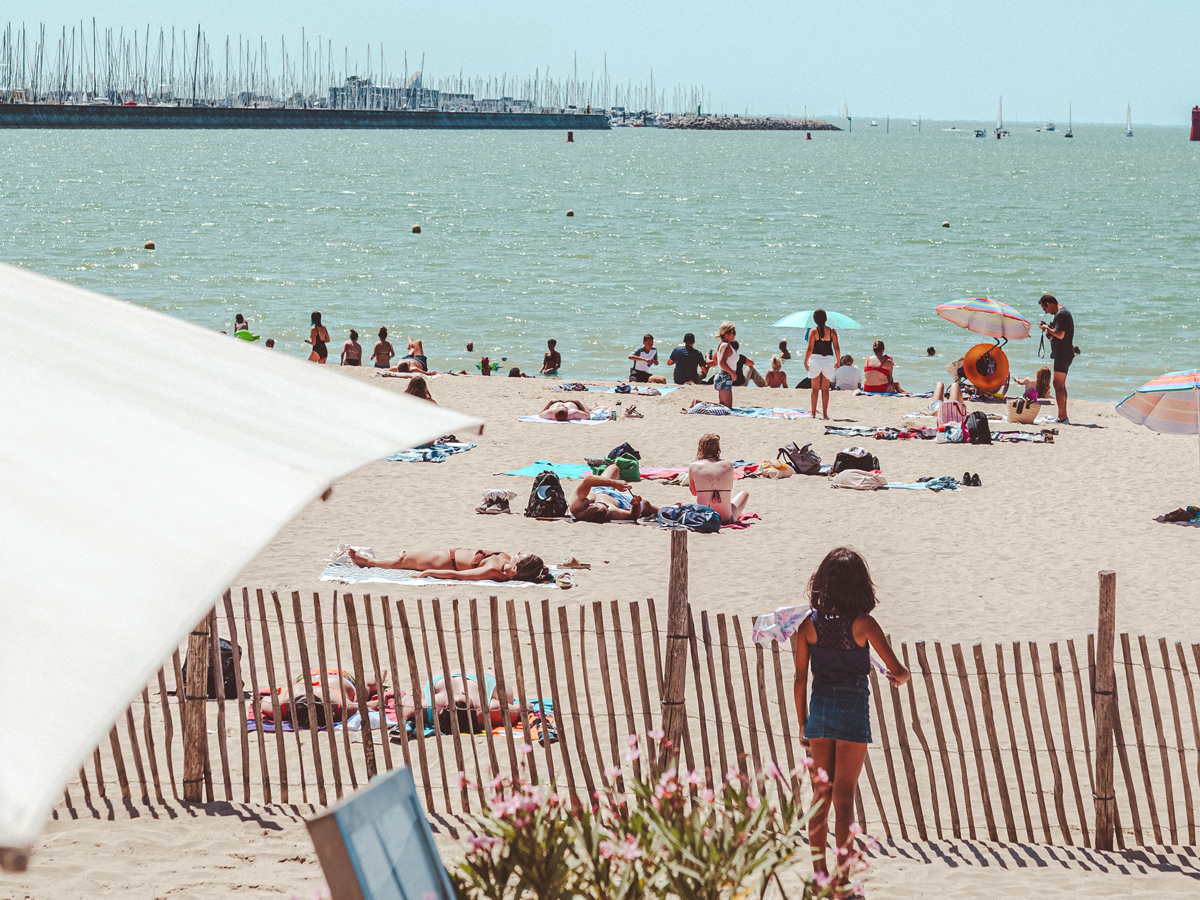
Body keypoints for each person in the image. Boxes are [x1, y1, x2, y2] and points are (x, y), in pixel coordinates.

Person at [793, 548, 908, 886]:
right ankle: (843, 881)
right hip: (853, 713)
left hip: (820, 714)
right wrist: (897, 678)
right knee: (844, 797)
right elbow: (899, 671)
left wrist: (803, 722)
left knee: (820, 796)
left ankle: (818, 876)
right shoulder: (864, 625)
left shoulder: (807, 626)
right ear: (860, 586)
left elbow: (800, 678)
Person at [347, 548, 548, 582]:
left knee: (401, 562)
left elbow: (458, 576)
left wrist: (427, 572)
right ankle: (408, 558)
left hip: (444, 561)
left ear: (515, 569)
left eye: (521, 556)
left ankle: (366, 562)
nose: (519, 552)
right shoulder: (505, 563)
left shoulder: (493, 571)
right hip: (449, 554)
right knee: (407, 558)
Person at [688, 433, 749, 524]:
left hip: (703, 516)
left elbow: (694, 492)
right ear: (718, 448)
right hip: (724, 518)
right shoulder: (728, 465)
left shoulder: (694, 466)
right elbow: (729, 487)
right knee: (744, 494)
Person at [569, 465, 657, 523]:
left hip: (598, 489)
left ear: (590, 504)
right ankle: (663, 510)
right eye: (607, 507)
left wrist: (614, 483)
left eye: (604, 505)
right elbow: (632, 515)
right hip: (618, 500)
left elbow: (588, 480)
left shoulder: (577, 507)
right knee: (645, 504)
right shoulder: (612, 511)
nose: (607, 506)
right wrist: (636, 504)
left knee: (614, 468)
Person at [1038, 294, 1076, 424]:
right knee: (1060, 385)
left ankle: (1062, 417)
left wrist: (1047, 328)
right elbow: (1058, 334)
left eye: (1045, 308)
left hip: (1063, 353)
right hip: (1065, 352)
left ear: (1049, 303)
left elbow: (1060, 335)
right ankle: (1063, 416)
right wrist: (1049, 330)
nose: (1046, 311)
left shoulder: (1061, 314)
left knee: (1058, 384)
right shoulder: (1062, 314)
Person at [805, 309, 841, 420]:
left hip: (815, 360)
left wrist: (805, 361)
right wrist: (839, 361)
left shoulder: (813, 331)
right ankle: (825, 414)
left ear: (815, 319)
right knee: (825, 389)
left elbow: (810, 348)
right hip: (828, 360)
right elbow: (836, 347)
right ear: (825, 318)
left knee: (814, 389)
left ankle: (813, 414)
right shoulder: (832, 331)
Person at [711, 321, 738, 408]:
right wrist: (732, 373)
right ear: (726, 333)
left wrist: (722, 369)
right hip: (725, 376)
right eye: (733, 332)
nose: (734, 334)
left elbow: (715, 359)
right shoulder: (726, 346)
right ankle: (698, 402)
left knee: (723, 405)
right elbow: (722, 362)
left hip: (722, 375)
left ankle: (698, 402)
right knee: (727, 407)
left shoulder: (721, 343)